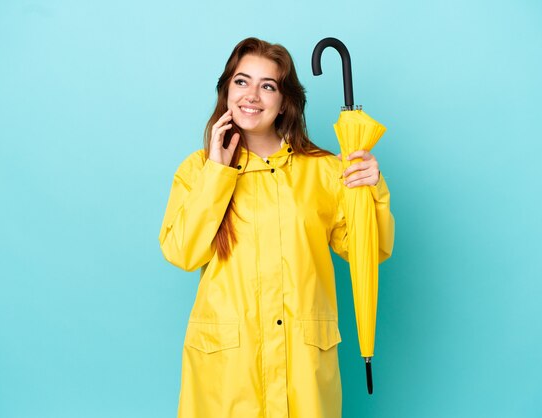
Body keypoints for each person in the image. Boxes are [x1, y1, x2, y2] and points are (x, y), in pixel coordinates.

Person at [159, 37, 394, 418]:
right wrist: (218, 174)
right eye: (241, 81)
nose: (252, 95)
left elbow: (371, 251)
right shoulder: (198, 170)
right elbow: (181, 252)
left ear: (285, 101)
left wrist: (372, 189)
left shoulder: (324, 170)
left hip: (301, 367)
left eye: (267, 86)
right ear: (226, 90)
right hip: (228, 373)